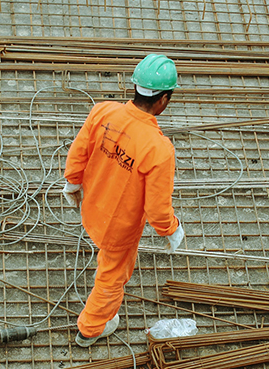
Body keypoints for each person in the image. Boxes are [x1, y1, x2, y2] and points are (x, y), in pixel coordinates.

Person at [63, 54, 185, 348]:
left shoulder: (103, 112)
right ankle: (90, 329)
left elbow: (78, 151)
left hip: (92, 207)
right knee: (111, 277)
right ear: (163, 100)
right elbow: (157, 209)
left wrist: (72, 183)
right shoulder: (159, 149)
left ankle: (94, 322)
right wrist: (171, 229)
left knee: (106, 260)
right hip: (118, 228)